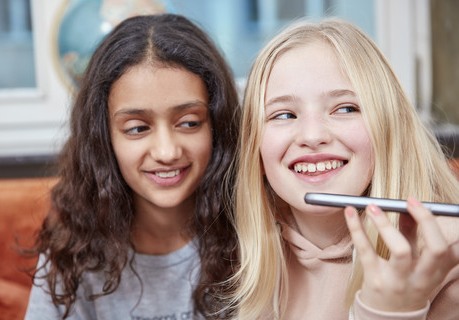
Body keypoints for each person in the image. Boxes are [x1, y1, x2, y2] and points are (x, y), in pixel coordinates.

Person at [226, 18, 459, 319]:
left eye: (346, 109)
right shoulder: (243, 252)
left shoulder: (445, 255)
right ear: (255, 150)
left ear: (389, 131)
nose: (312, 136)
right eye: (283, 115)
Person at [24, 13, 239, 320]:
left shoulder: (258, 236)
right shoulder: (71, 250)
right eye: (138, 128)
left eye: (189, 123)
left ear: (216, 126)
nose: (167, 151)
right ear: (104, 138)